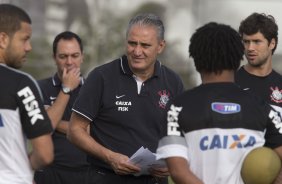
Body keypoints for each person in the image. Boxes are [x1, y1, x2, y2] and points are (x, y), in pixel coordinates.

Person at [156, 22, 282, 184]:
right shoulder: (263, 107)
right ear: (238, 59)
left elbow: (177, 171)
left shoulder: (176, 108)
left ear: (196, 60)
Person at [67, 13, 184, 184]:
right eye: (132, 43)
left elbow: (179, 134)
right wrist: (110, 157)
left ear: (160, 46)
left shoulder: (173, 82)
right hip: (105, 178)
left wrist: (173, 163)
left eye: (145, 45)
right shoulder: (101, 77)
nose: (137, 51)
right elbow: (74, 130)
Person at [0, 4, 54, 184]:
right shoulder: (21, 84)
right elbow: (45, 155)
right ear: (3, 39)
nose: (29, 47)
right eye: (25, 39)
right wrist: (25, 166)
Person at [34, 31, 89, 184]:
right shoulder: (39, 87)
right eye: (63, 56)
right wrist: (66, 88)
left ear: (82, 56)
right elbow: (44, 128)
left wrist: (52, 117)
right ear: (54, 58)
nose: (69, 62)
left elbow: (97, 129)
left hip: (86, 173)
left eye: (75, 55)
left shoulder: (94, 89)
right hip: (49, 173)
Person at [235, 13, 282, 183]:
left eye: (256, 41)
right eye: (246, 42)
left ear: (272, 43)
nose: (250, 48)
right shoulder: (231, 83)